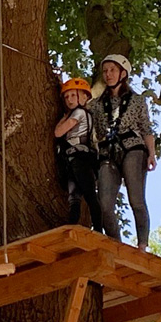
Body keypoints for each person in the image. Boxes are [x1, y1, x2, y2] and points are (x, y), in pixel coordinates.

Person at [90, 54, 156, 252]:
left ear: (123, 73)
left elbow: (146, 129)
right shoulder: (96, 104)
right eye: (105, 71)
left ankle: (142, 245)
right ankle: (116, 245)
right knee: (104, 205)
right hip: (107, 152)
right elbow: (78, 109)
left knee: (136, 199)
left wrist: (151, 153)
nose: (108, 74)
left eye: (112, 70)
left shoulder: (137, 101)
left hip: (132, 148)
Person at [54, 78, 102, 233]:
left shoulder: (79, 113)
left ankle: (99, 229)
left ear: (82, 96)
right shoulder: (77, 113)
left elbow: (58, 132)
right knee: (74, 196)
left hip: (80, 159)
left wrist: (63, 118)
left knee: (89, 195)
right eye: (66, 97)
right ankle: (71, 226)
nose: (69, 100)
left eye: (73, 96)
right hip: (73, 159)